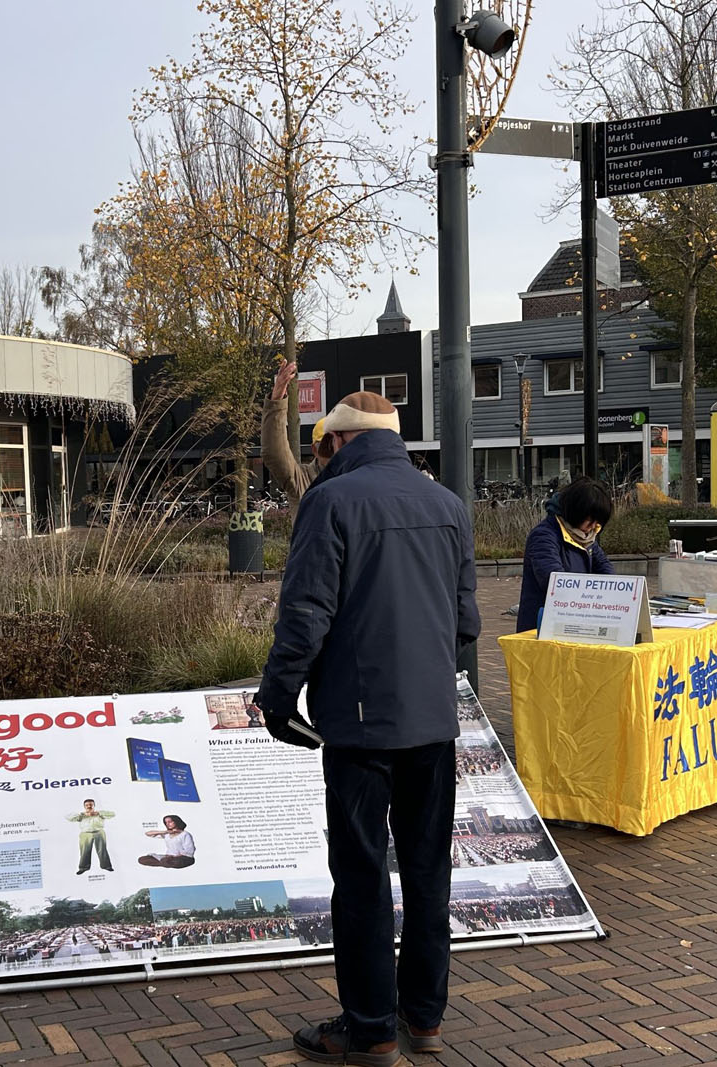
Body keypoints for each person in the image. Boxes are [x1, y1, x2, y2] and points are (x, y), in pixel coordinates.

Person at [251, 390, 479, 1065]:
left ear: (340, 440)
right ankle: (424, 1020)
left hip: (359, 725)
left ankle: (371, 1028)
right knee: (429, 872)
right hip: (433, 722)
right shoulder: (449, 505)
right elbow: (466, 623)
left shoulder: (332, 502)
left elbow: (306, 615)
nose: (322, 458)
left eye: (324, 446)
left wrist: (278, 697)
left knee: (361, 876)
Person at [515, 477, 616, 634]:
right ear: (576, 513)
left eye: (598, 522)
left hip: (575, 622)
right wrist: (592, 599)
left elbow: (604, 567)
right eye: (590, 521)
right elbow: (555, 582)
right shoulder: (544, 536)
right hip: (544, 626)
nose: (593, 527)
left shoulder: (585, 537)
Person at [261, 360, 334, 512]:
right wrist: (276, 400)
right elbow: (274, 452)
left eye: (340, 445)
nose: (335, 453)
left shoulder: (357, 477)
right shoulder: (301, 480)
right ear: (315, 450)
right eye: (327, 448)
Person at [67, 799, 115, 874]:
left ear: (94, 805)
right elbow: (68, 818)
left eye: (91, 804)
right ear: (84, 806)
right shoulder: (81, 816)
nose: (89, 806)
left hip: (99, 833)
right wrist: (81, 814)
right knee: (84, 851)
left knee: (102, 850)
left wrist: (99, 813)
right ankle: (83, 868)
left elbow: (113, 814)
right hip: (85, 834)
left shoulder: (100, 814)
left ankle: (106, 866)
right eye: (87, 805)